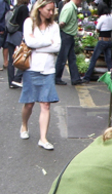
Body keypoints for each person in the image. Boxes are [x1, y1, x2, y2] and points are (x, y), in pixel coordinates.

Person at [18, 0, 60, 150]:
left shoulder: (54, 26)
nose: (51, 13)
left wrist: (38, 45)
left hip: (48, 70)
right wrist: (47, 43)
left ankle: (43, 138)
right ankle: (24, 125)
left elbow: (57, 46)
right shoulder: (29, 22)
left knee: (45, 104)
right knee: (29, 103)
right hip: (31, 68)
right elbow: (29, 41)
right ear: (40, 8)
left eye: (53, 10)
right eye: (49, 10)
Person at [54, 0, 85, 85]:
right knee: (62, 58)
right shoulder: (69, 8)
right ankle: (57, 77)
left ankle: (75, 78)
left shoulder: (72, 7)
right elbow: (62, 22)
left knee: (72, 58)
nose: (81, 2)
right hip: (66, 35)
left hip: (69, 35)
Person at [82, 2, 112, 83]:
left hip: (102, 41)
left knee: (94, 59)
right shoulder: (111, 16)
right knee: (109, 61)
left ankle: (87, 77)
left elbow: (97, 28)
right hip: (109, 41)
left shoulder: (102, 17)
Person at [6, 0, 28, 89]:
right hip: (19, 35)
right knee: (23, 58)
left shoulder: (16, 7)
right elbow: (24, 24)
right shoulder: (24, 8)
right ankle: (17, 79)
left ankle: (11, 81)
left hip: (11, 35)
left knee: (11, 60)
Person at [0, 0, 10, 71]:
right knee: (4, 45)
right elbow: (1, 15)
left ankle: (6, 62)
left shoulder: (5, 2)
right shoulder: (2, 2)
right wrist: (1, 27)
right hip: (3, 27)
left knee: (6, 45)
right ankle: (5, 62)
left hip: (5, 27)